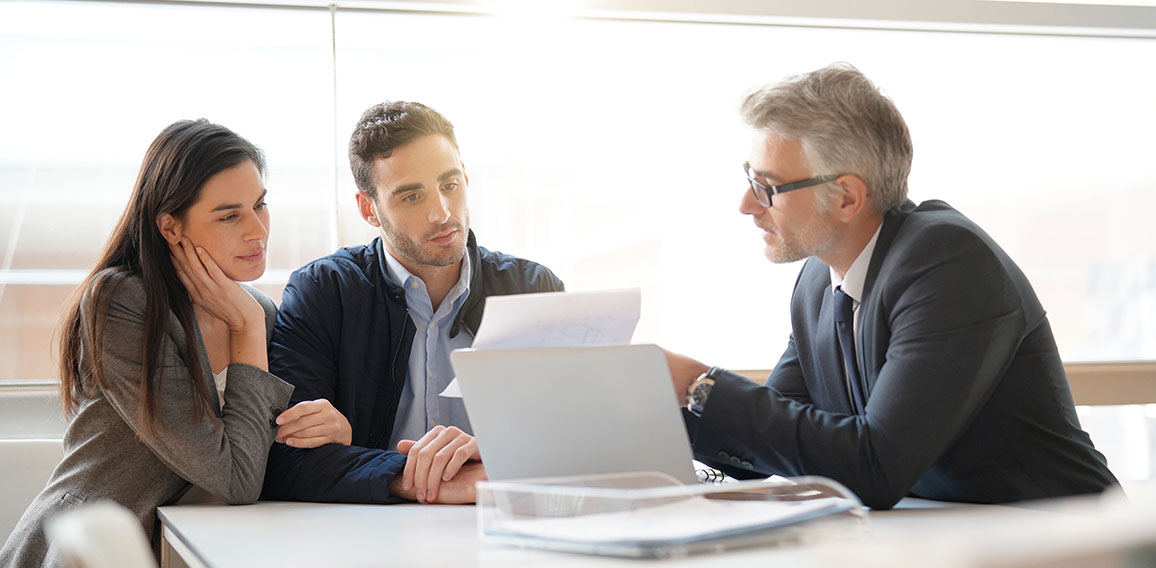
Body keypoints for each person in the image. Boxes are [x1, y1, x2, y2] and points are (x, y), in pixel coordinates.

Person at [664, 63, 1118, 510]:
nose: (746, 204)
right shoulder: (818, 284)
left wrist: (702, 387)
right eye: (750, 178)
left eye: (768, 186)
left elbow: (876, 466)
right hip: (948, 535)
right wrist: (657, 396)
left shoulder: (948, 262)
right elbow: (771, 440)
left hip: (1066, 539)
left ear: (847, 197)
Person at [0, 120, 293, 566]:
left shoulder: (253, 310)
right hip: (96, 549)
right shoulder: (121, 301)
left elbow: (254, 454)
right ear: (171, 227)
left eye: (260, 204)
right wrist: (249, 331)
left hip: (198, 543)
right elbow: (235, 479)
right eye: (230, 215)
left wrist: (316, 429)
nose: (258, 231)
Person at [261, 101, 563, 505]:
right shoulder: (323, 293)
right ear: (369, 208)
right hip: (369, 533)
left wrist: (493, 464)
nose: (441, 213)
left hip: (506, 523)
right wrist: (418, 479)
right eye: (411, 196)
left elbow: (572, 441)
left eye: (450, 186)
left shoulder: (533, 289)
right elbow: (286, 460)